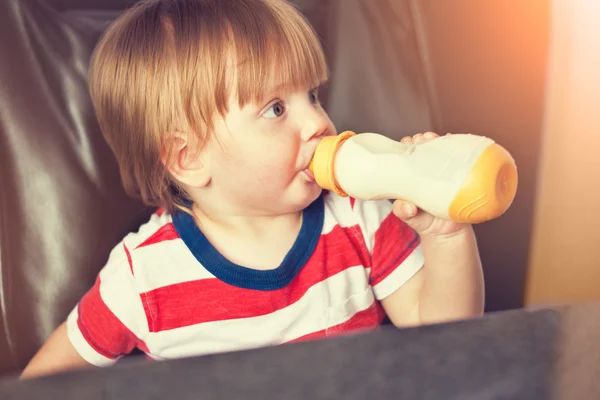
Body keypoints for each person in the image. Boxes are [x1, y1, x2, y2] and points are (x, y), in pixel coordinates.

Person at [20, 0, 484, 379]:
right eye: (277, 108)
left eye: (313, 95)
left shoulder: (357, 217)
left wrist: (445, 236)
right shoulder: (141, 278)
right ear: (189, 159)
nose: (318, 122)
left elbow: (443, 337)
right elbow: (44, 382)